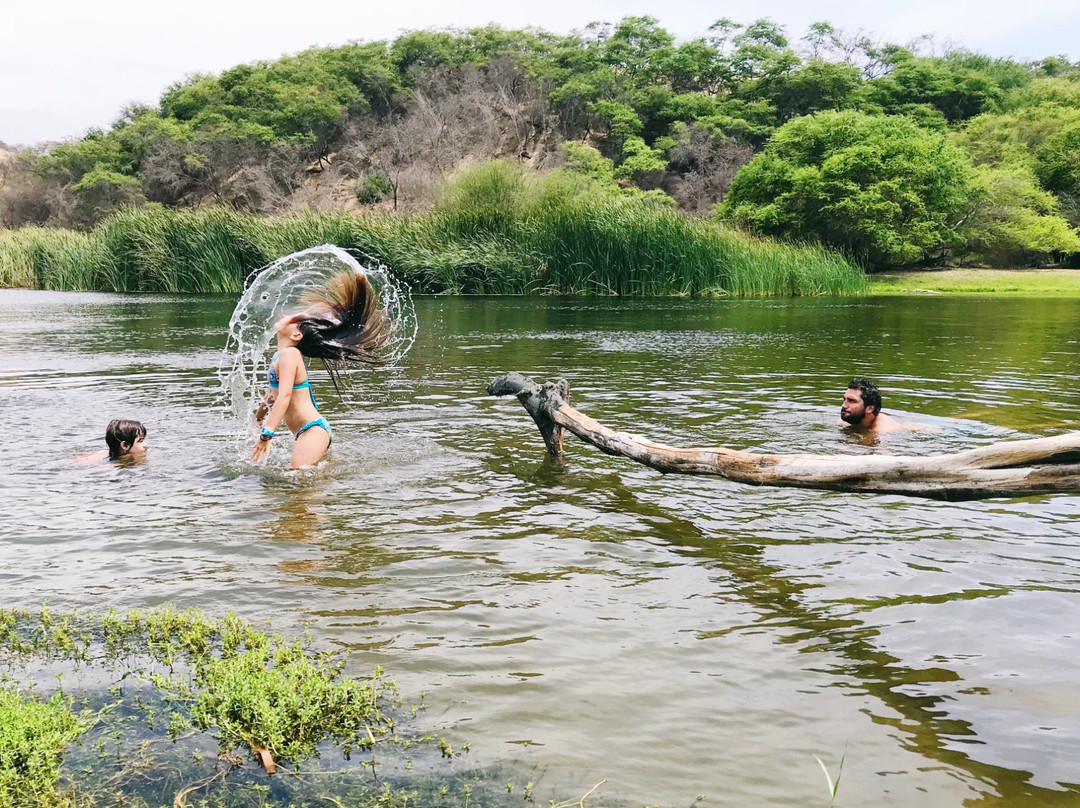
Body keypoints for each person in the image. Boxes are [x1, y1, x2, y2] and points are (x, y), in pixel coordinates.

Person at [250, 268, 390, 469]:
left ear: (296, 335)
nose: (288, 316)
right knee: (303, 479)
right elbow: (274, 393)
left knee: (298, 478)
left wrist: (267, 434)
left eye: (294, 320)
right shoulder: (280, 356)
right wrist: (258, 417)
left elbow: (285, 396)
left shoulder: (290, 354)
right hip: (308, 432)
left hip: (312, 430)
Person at [75, 419, 148, 463]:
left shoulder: (108, 453)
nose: (145, 445)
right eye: (141, 441)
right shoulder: (117, 465)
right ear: (124, 445)